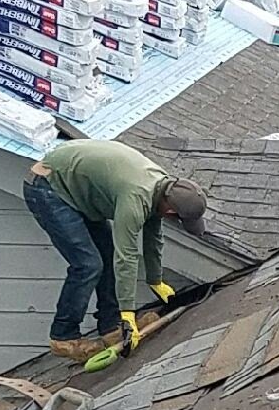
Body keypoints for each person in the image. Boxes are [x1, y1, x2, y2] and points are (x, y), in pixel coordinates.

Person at [24, 139, 208, 361]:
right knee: (88, 264)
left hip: (76, 185)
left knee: (106, 256)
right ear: (170, 210)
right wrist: (128, 314)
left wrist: (155, 280)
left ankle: (111, 327)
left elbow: (153, 236)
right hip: (48, 187)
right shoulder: (135, 197)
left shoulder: (163, 187)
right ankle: (63, 337)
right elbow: (126, 256)